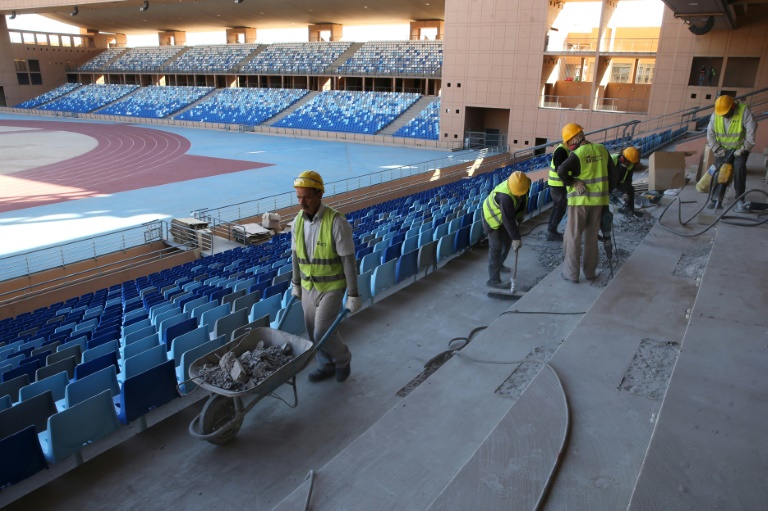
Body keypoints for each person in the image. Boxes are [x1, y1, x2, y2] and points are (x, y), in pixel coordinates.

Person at [290, 170, 362, 382]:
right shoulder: (297, 223)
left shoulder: (337, 222)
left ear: (320, 195)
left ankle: (343, 359)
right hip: (307, 288)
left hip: (331, 288)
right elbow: (295, 255)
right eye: (299, 198)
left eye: (307, 197)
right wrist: (295, 283)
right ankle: (326, 364)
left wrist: (353, 294)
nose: (302, 203)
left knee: (322, 331)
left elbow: (348, 260)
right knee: (312, 333)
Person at [556, 123, 617, 283]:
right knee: (591, 238)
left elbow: (561, 170)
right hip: (599, 202)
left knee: (573, 237)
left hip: (580, 202)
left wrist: (574, 182)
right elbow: (614, 174)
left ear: (573, 139)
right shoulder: (602, 149)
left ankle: (571, 274)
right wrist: (605, 192)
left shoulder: (579, 153)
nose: (568, 146)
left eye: (568, 143)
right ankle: (590, 273)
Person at [706, 94, 758, 211]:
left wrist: (744, 149)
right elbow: (710, 134)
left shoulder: (744, 112)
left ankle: (740, 198)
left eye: (726, 113)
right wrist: (717, 149)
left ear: (733, 107)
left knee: (739, 169)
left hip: (740, 148)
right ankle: (716, 197)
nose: (724, 115)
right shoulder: (717, 114)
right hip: (722, 149)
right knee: (720, 172)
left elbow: (751, 132)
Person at [482, 171, 531, 289]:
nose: (519, 195)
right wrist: (516, 238)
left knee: (507, 242)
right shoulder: (504, 197)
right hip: (492, 219)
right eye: (517, 194)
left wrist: (520, 217)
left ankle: (499, 264)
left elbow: (522, 202)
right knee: (496, 247)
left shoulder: (525, 184)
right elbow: (508, 219)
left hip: (505, 216)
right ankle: (493, 280)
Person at [546, 142, 570, 241]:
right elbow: (559, 169)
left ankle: (551, 230)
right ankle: (551, 232)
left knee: (557, 207)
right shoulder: (561, 151)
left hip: (557, 184)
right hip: (557, 185)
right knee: (560, 208)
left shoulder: (563, 149)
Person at [610, 146, 641, 215]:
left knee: (630, 189)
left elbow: (628, 180)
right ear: (623, 158)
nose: (629, 164)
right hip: (607, 181)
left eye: (630, 163)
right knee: (606, 197)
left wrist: (626, 192)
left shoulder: (630, 165)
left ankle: (629, 211)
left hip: (618, 182)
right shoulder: (611, 159)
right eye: (628, 162)